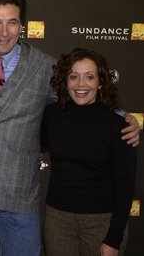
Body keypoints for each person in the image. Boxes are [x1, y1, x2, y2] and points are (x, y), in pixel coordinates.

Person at [0, 0, 140, 255]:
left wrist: (122, 116)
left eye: (12, 22)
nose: (4, 31)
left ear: (22, 27)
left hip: (20, 195)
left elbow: (79, 98)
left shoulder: (45, 67)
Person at [41, 48, 137, 256]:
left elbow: (126, 187)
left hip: (102, 223)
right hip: (58, 220)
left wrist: (114, 239)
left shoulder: (119, 126)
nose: (81, 85)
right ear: (65, 81)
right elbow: (30, 143)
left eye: (89, 77)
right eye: (74, 76)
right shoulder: (52, 115)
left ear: (101, 82)